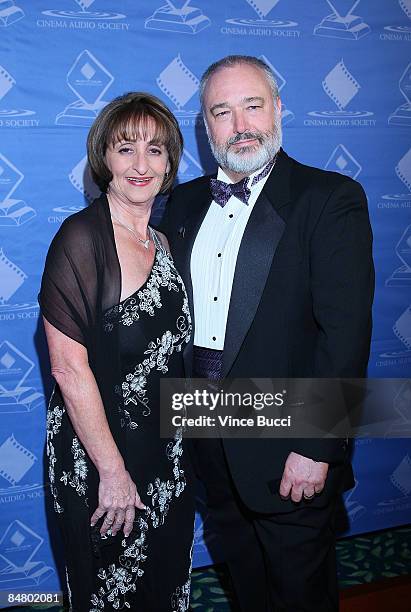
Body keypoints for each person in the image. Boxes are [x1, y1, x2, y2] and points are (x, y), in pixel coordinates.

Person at [161, 56, 374, 611]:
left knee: (301, 596)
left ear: (278, 109)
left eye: (252, 105)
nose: (240, 124)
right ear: (206, 128)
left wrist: (316, 445)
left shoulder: (328, 199)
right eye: (222, 111)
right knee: (248, 590)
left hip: (288, 449)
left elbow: (345, 335)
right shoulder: (181, 204)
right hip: (206, 438)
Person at [39, 92, 194, 611]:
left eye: (155, 149)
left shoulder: (165, 243)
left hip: (166, 458)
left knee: (165, 587)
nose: (141, 164)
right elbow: (67, 366)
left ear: (170, 161)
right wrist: (112, 472)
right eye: (125, 148)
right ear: (103, 157)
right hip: (102, 463)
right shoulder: (80, 240)